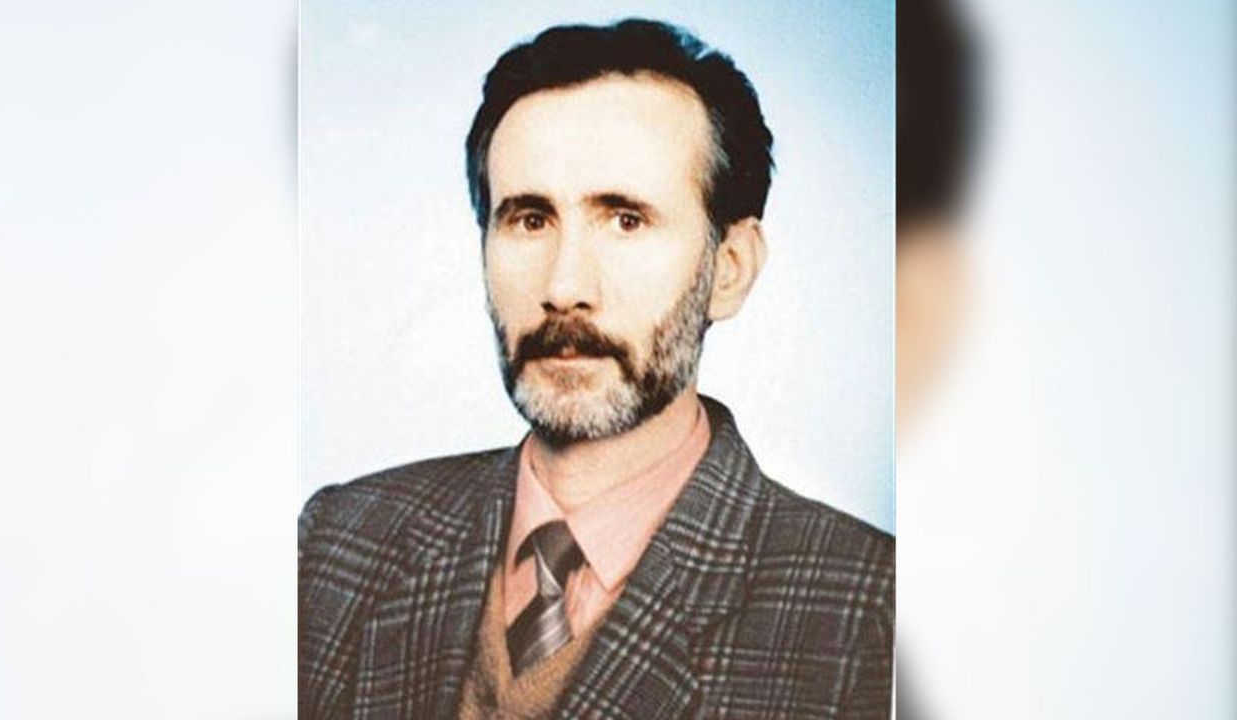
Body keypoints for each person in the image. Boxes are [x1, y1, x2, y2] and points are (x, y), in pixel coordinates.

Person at [299, 18, 894, 719]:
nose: (564, 286)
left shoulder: (873, 614)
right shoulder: (337, 543)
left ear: (730, 269)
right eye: (530, 220)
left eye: (625, 220)